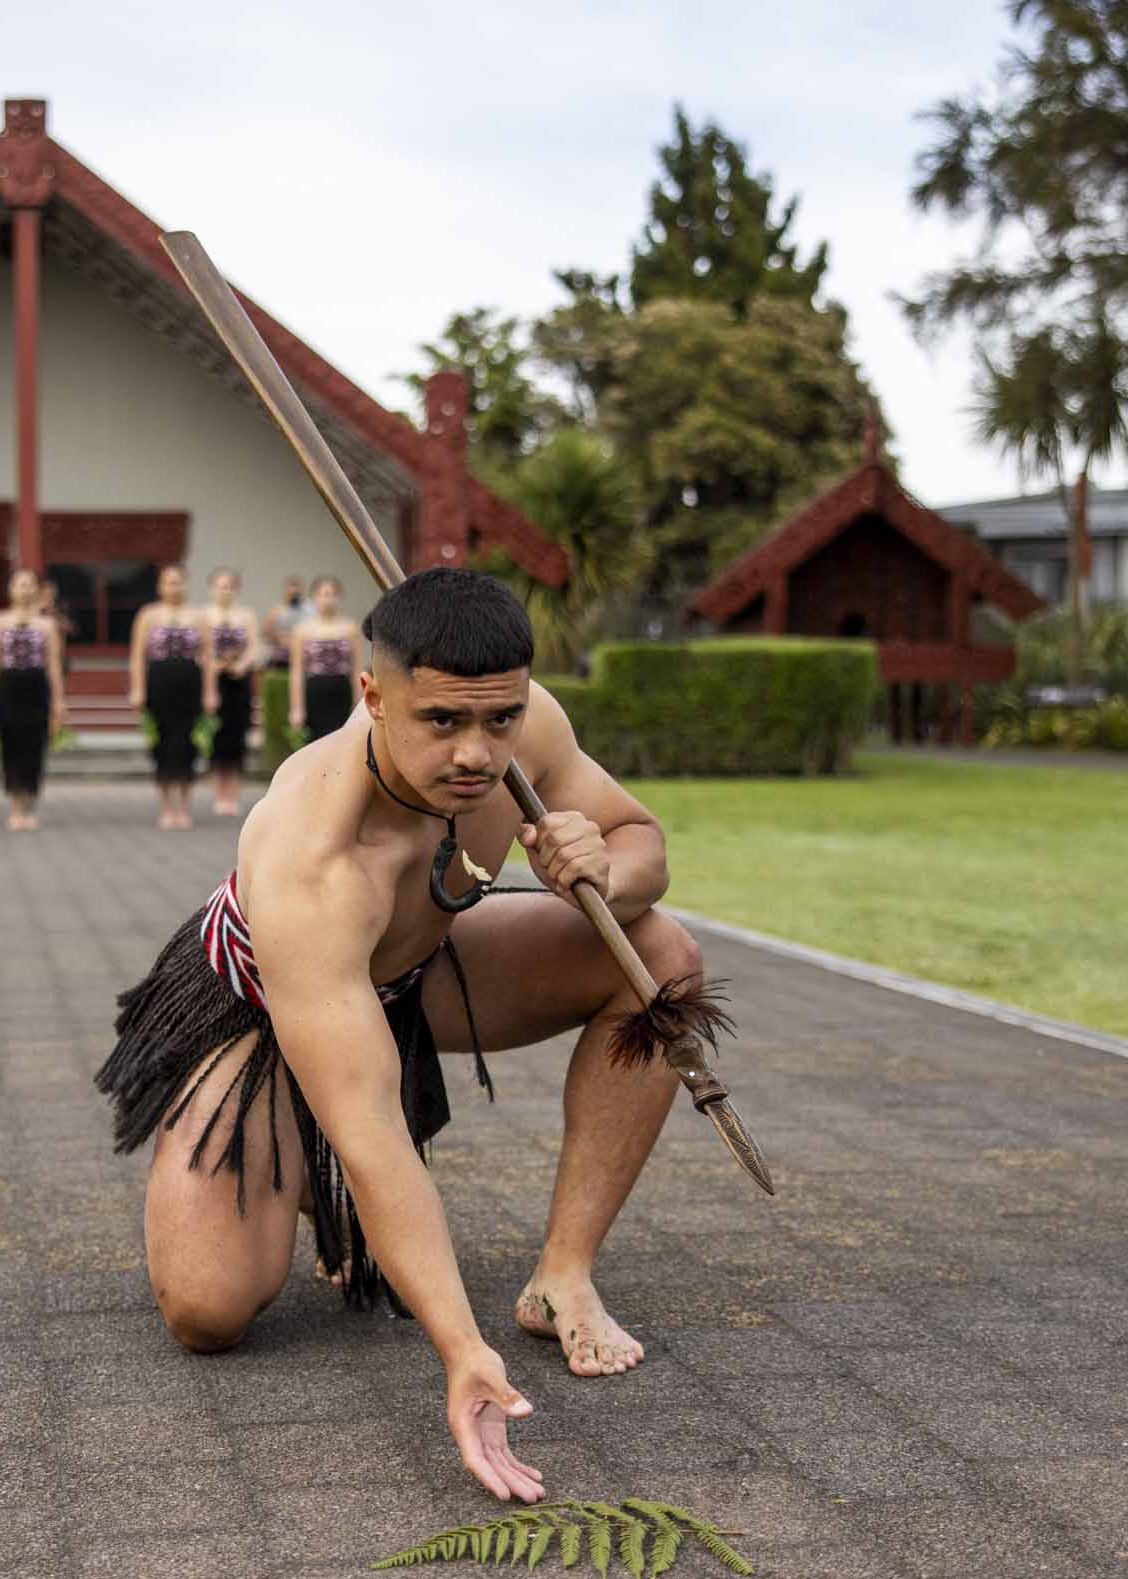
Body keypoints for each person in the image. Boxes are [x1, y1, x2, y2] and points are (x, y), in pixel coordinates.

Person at [95, 567, 708, 1503]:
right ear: (374, 697)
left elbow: (641, 842)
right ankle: (288, 1167)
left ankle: (563, 1275)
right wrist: (462, 1350)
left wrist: (604, 871)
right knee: (207, 1311)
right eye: (441, 721)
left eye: (498, 720)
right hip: (256, 1012)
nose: (475, 753)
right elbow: (371, 1126)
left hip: (413, 974)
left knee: (658, 957)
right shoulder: (316, 851)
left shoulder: (525, 724)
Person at [0, 567, 64, 832]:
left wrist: (59, 701)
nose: (24, 589)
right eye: (20, 584)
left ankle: (29, 804)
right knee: (11, 746)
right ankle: (15, 806)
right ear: (10, 590)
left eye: (29, 584)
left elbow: (53, 665)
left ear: (36, 590)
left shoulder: (47, 625)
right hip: (8, 687)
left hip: (36, 687)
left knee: (34, 746)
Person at [130, 564, 206, 830]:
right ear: (160, 586)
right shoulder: (148, 615)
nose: (174, 587)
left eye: (179, 582)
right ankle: (165, 807)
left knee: (187, 745)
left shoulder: (198, 616)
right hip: (159, 683)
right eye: (169, 582)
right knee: (161, 745)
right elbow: (137, 656)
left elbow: (207, 657)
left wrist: (210, 692)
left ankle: (184, 807)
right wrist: (138, 688)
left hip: (190, 684)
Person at [202, 568, 263, 818]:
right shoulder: (204, 616)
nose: (225, 591)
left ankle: (233, 794)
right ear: (211, 589)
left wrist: (242, 664)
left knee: (237, 739)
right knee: (217, 740)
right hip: (214, 683)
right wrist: (215, 665)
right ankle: (219, 794)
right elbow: (201, 649)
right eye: (220, 586)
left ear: (236, 589)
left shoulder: (246, 615)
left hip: (239, 683)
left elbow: (255, 647)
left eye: (229, 586)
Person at [287, 575, 363, 743]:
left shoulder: (350, 628)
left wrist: (358, 703)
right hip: (315, 690)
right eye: (322, 594)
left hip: (342, 690)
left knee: (343, 742)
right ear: (314, 598)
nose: (327, 600)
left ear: (339, 597)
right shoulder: (302, 630)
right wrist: (296, 708)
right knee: (316, 743)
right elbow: (297, 672)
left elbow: (356, 669)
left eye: (331, 594)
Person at [264, 573, 307, 669]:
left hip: (302, 657)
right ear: (285, 590)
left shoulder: (308, 611)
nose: (293, 594)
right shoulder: (275, 610)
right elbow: (266, 633)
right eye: (290, 592)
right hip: (279, 658)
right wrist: (278, 636)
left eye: (296, 593)